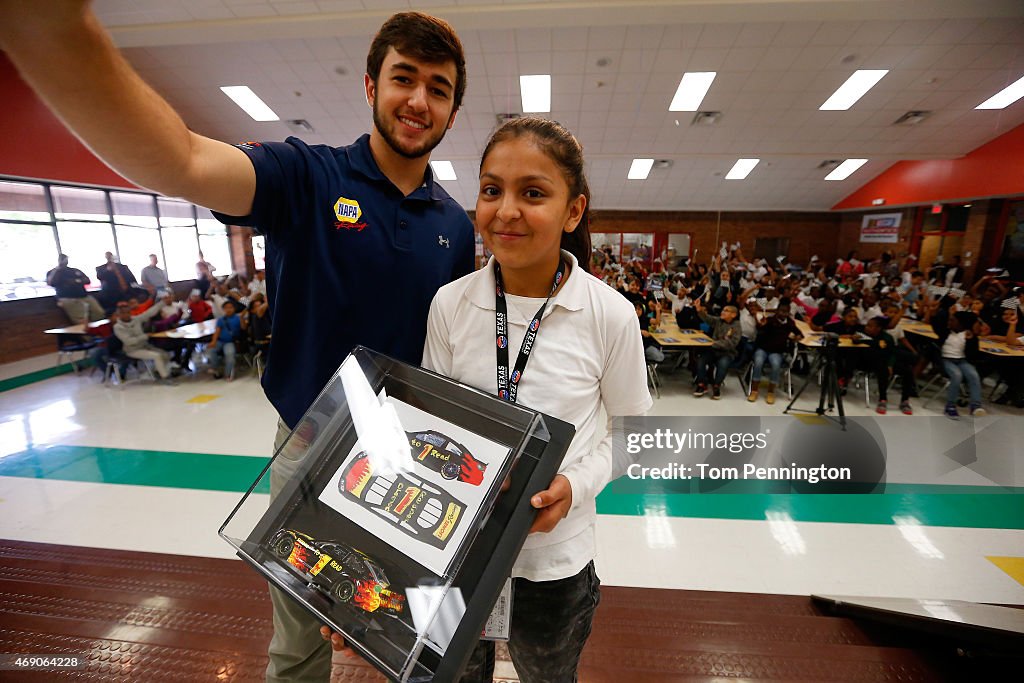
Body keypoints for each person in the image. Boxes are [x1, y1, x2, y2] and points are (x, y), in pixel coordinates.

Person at [1, 7, 473, 681]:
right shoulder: (307, 179)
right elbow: (185, 159)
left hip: (402, 463)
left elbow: (448, 359)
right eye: (404, 78)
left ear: (453, 111)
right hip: (308, 453)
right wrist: (55, 34)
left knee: (402, 634)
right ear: (371, 87)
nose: (419, 100)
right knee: (299, 644)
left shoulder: (454, 226)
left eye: (439, 88)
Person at [413, 116, 651, 683]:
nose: (506, 210)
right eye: (492, 190)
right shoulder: (449, 305)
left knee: (548, 675)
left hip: (554, 562)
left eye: (534, 193)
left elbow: (634, 438)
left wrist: (575, 488)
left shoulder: (609, 315)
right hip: (451, 549)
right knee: (449, 674)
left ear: (574, 211)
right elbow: (428, 425)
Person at [111, 301, 176, 384]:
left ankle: (156, 372)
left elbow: (149, 313)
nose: (126, 315)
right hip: (132, 350)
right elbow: (129, 341)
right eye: (123, 313)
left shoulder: (136, 319)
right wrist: (145, 336)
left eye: (128, 312)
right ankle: (165, 377)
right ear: (118, 314)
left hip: (144, 346)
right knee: (157, 356)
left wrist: (162, 302)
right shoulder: (117, 327)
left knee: (165, 355)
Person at [692, 299, 741, 400]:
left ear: (733, 315)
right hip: (713, 350)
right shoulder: (719, 321)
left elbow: (731, 343)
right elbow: (707, 318)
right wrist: (699, 309)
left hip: (727, 353)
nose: (723, 312)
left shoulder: (737, 326)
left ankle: (716, 386)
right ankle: (702, 384)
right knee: (701, 360)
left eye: (726, 310)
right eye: (723, 310)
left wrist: (713, 343)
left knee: (723, 364)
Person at [46, 253, 105, 324]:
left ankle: (98, 332)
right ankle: (86, 334)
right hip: (68, 299)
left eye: (65, 259)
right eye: (62, 259)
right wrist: (58, 269)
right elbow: (51, 283)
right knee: (81, 319)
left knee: (100, 313)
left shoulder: (74, 270)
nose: (64, 261)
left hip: (84, 296)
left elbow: (87, 280)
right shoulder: (53, 272)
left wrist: (76, 281)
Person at [207, 299, 243, 380]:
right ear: (223, 309)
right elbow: (217, 331)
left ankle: (228, 373)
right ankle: (215, 368)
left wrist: (242, 319)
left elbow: (243, 328)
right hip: (220, 341)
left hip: (230, 342)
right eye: (226, 308)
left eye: (230, 307)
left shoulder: (238, 318)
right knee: (211, 349)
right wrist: (213, 341)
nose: (228, 309)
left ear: (234, 309)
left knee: (229, 354)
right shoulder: (221, 319)